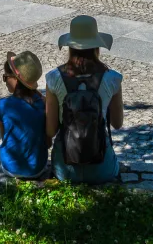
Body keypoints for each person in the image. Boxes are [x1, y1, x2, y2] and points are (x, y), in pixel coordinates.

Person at [45, 15, 123, 183]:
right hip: (102, 169)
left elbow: (50, 131)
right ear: (97, 47)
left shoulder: (53, 78)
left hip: (64, 169)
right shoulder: (113, 78)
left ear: (70, 47)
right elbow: (117, 123)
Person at [0, 50, 48, 179]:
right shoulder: (43, 104)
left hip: (10, 167)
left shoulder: (4, 104)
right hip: (38, 168)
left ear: (15, 79)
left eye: (5, 77)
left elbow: (4, 136)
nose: (5, 81)